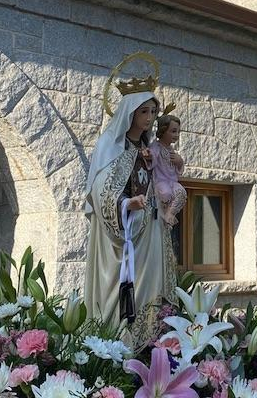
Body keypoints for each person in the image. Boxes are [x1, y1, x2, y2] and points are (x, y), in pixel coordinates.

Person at [83, 89, 177, 342]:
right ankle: (115, 338)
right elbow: (100, 190)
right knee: (122, 285)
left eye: (153, 112)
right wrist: (125, 203)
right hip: (122, 235)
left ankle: (147, 341)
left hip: (150, 230)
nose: (149, 117)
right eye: (144, 111)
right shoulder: (110, 144)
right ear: (130, 113)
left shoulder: (150, 147)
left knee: (150, 287)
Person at [149, 115, 186, 226]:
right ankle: (162, 213)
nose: (177, 135)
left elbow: (177, 170)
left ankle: (170, 214)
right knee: (166, 193)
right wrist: (149, 156)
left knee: (181, 193)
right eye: (173, 131)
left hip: (172, 182)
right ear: (163, 131)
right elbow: (152, 159)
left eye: (178, 132)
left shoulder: (171, 150)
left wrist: (179, 162)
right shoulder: (156, 146)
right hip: (160, 181)